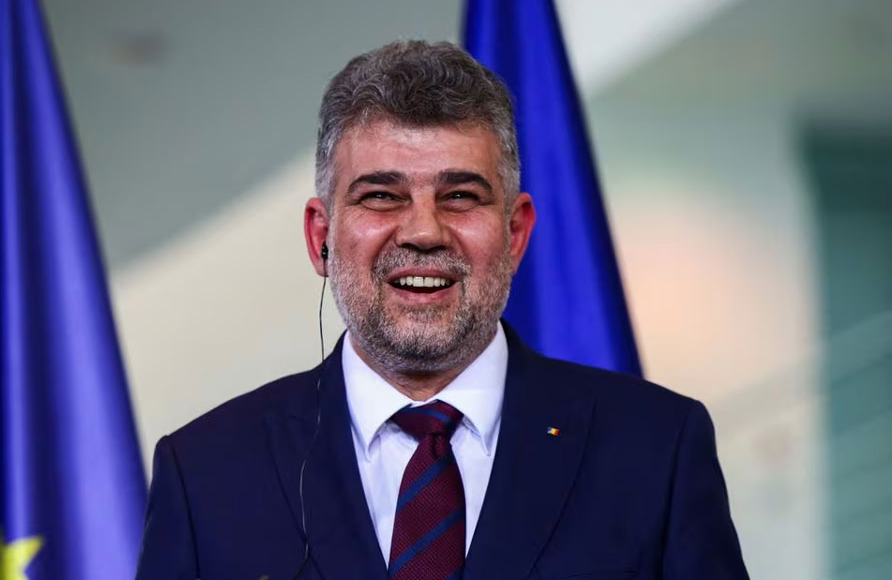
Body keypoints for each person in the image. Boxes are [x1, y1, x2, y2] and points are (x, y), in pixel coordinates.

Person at [136, 41, 748, 580]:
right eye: (381, 195)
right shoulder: (205, 472)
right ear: (320, 235)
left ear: (515, 233)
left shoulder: (656, 447)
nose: (424, 232)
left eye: (460, 196)